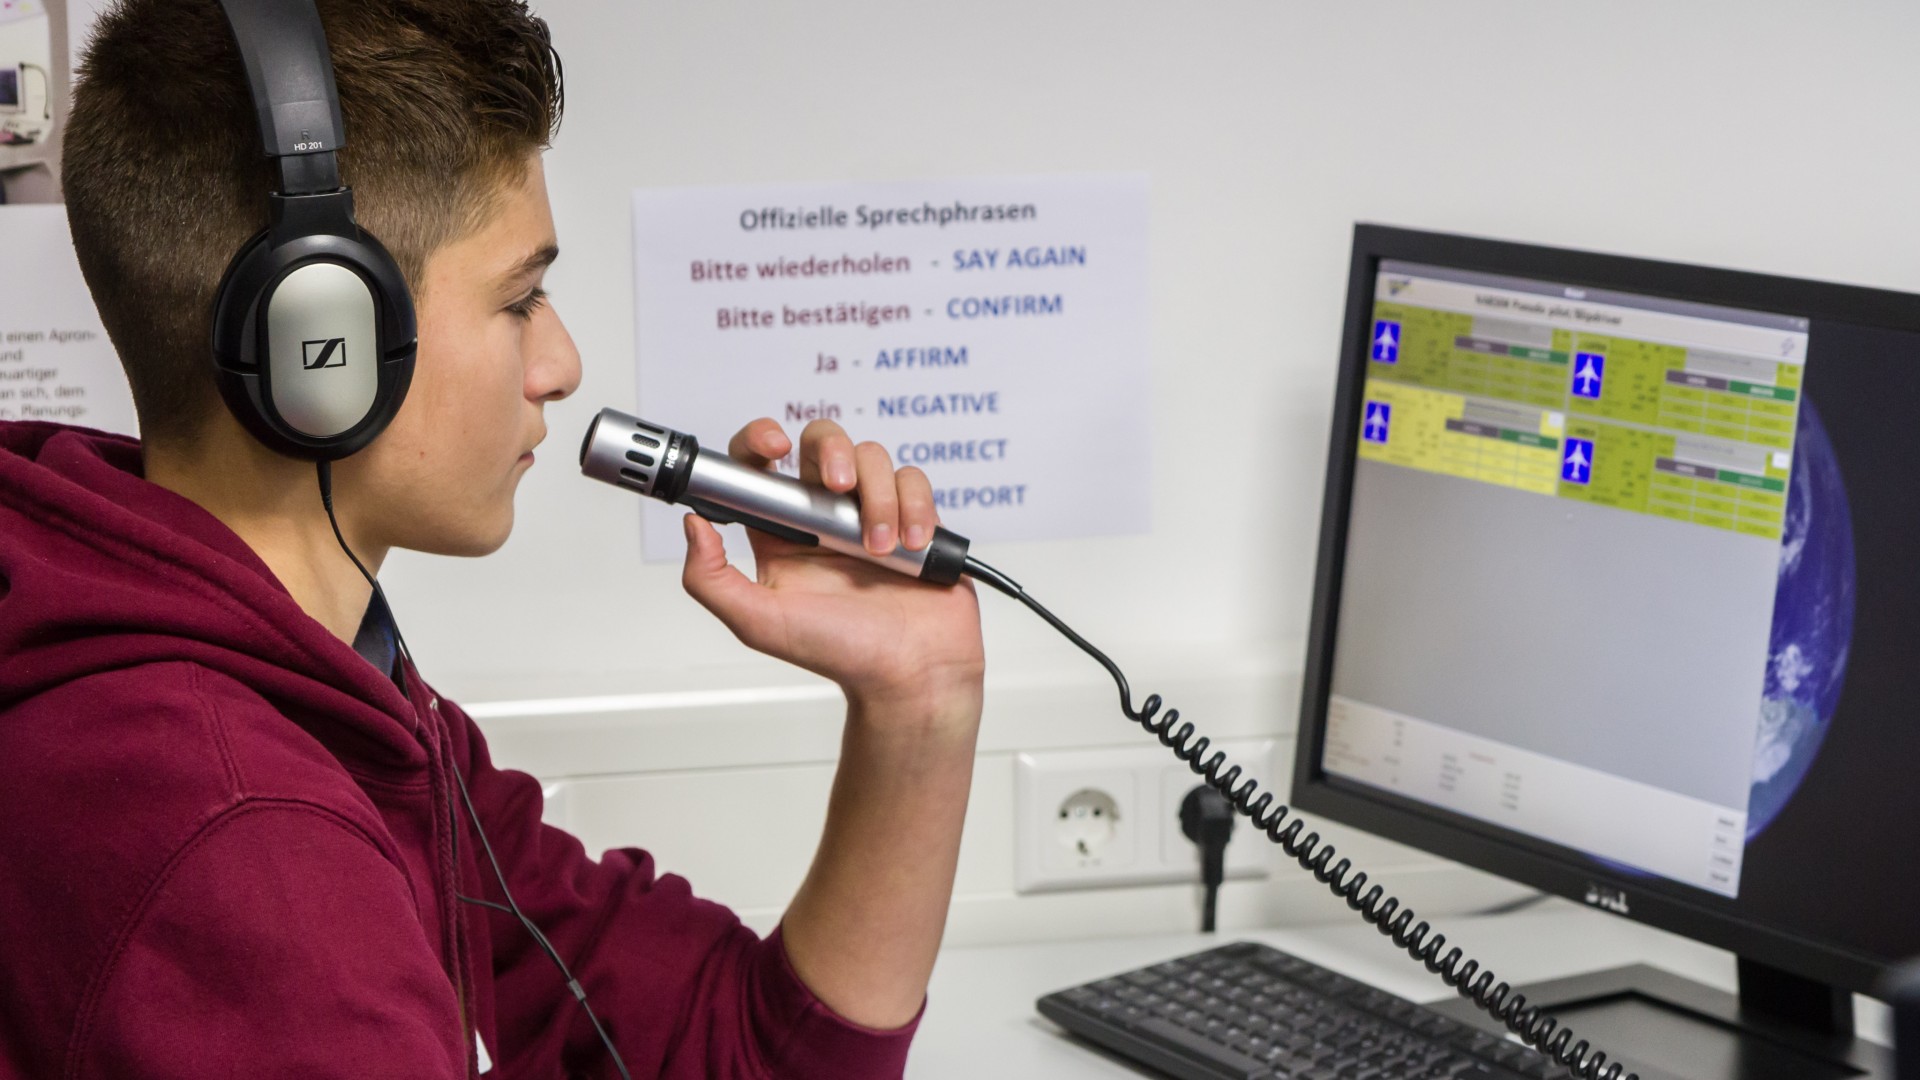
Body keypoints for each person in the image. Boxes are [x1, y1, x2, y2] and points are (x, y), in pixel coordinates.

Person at [0, 1, 985, 1077]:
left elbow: (733, 1054)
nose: (561, 363)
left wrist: (917, 706)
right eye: (522, 297)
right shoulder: (248, 846)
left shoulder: (333, 693)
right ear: (322, 343)